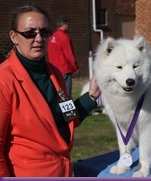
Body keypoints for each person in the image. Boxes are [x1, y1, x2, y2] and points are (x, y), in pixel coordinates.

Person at [0, 4, 100, 177]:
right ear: (14, 36)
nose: (38, 38)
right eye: (30, 33)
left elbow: (66, 118)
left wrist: (91, 96)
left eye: (44, 32)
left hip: (63, 172)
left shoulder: (55, 74)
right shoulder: (4, 80)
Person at [48, 15, 79, 98]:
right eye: (68, 24)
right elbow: (69, 54)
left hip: (53, 68)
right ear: (64, 24)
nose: (69, 27)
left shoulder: (51, 37)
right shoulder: (65, 37)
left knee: (56, 91)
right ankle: (67, 110)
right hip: (64, 68)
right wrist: (75, 67)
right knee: (66, 92)